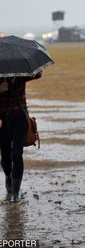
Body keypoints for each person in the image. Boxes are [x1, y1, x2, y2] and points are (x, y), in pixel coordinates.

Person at [0, 73, 41, 203]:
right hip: (2, 119)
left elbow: (37, 74)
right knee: (5, 155)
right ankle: (8, 176)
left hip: (19, 117)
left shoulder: (21, 73)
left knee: (17, 154)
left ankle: (15, 192)